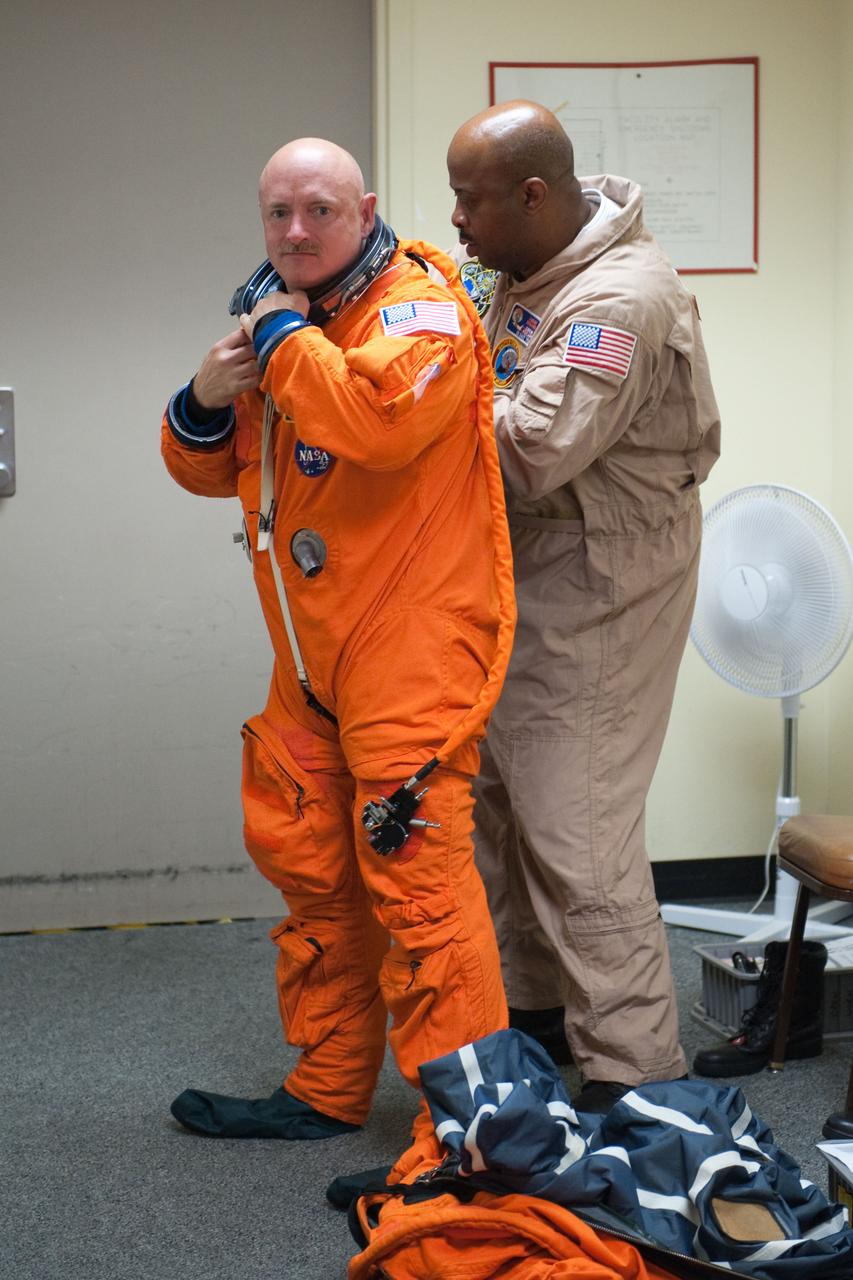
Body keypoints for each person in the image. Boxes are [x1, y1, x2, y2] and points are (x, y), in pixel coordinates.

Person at [161, 138, 515, 1171]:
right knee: (313, 865)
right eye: (277, 214)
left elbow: (372, 419)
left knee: (421, 895)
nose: (294, 231)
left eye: (318, 209)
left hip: (411, 653)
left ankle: (471, 1143)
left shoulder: (417, 313)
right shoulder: (291, 327)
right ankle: (325, 1086)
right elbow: (205, 468)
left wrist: (274, 330)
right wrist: (204, 397)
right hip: (314, 660)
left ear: (365, 210)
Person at [447, 101, 721, 1113]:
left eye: (470, 199)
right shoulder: (522, 270)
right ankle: (537, 1021)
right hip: (531, 562)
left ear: (532, 195)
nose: (457, 219)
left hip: (606, 573)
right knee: (506, 808)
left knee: (579, 825)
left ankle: (637, 1079)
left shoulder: (618, 300)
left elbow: (527, 449)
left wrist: (414, 399)